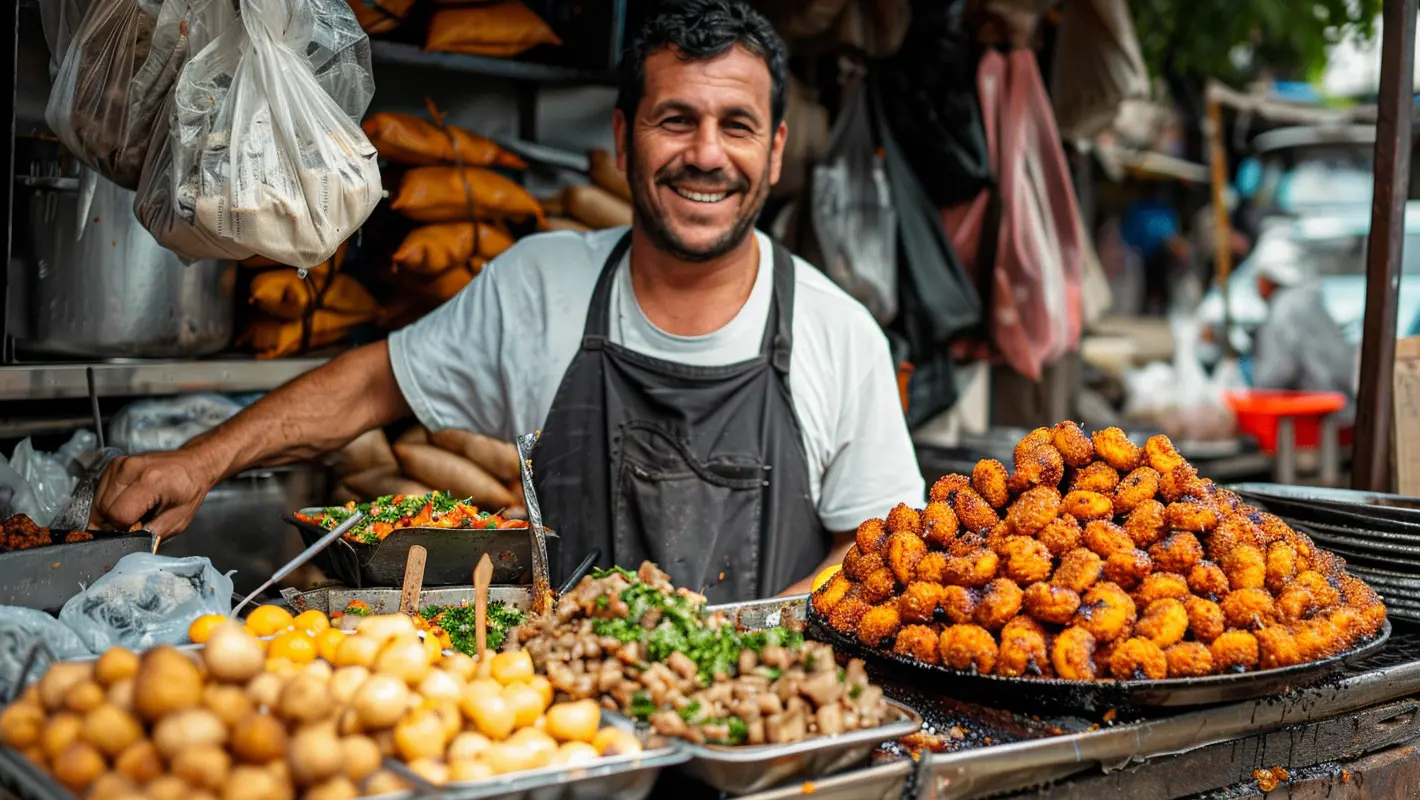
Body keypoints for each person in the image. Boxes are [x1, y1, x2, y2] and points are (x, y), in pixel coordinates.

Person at [92, 0, 923, 603]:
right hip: (558, 727)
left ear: (775, 151)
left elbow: (880, 550)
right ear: (622, 137)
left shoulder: (839, 333)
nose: (706, 154)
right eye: (675, 120)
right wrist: (199, 461)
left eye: (736, 125)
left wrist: (739, 648)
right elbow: (372, 384)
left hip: (767, 736)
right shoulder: (542, 284)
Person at [1250, 237, 1356, 398]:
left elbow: (1275, 375)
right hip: (1340, 398)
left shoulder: (1283, 310)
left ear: (1269, 278)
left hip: (1311, 405)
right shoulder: (1308, 300)